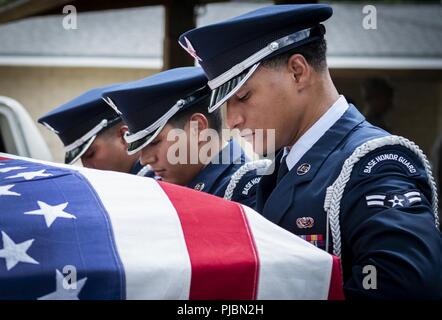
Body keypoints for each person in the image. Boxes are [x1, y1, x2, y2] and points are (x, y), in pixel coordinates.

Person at [179, 4, 442, 299]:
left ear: (297, 72)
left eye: (243, 96)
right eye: (225, 106)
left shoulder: (375, 164)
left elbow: (406, 289)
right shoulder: (277, 165)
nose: (232, 120)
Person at [102, 67, 269, 207]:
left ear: (198, 128)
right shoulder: (148, 179)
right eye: (140, 146)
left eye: (154, 142)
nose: (145, 160)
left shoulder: (246, 186)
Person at [38, 84, 153, 177]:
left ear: (124, 137)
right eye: (81, 158)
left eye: (90, 154)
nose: (86, 165)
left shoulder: (155, 184)